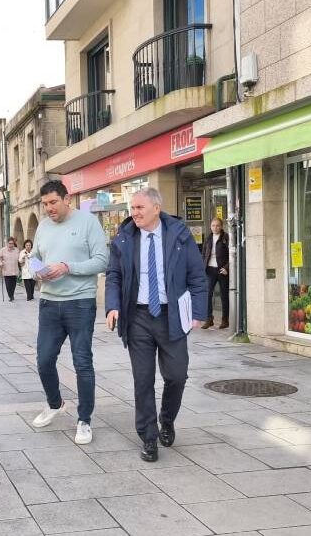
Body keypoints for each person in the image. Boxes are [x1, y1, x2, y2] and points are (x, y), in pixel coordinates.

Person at [105, 188, 208, 462]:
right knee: (143, 380)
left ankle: (167, 418)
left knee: (177, 374)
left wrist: (197, 312)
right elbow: (114, 275)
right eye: (132, 208)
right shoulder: (124, 238)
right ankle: (148, 437)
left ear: (156, 208)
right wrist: (113, 306)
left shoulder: (180, 236)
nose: (134, 213)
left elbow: (197, 277)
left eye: (139, 207)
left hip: (170, 315)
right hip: (137, 316)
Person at [29, 180, 108, 445]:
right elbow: (33, 257)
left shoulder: (88, 222)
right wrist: (37, 269)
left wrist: (67, 267)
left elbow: (102, 260)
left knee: (82, 362)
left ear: (67, 199)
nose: (49, 208)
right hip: (49, 303)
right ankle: (55, 403)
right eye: (45, 204)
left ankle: (84, 419)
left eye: (53, 202)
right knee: (43, 359)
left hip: (80, 302)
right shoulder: (43, 226)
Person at [201, 217, 230, 329]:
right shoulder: (208, 238)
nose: (215, 227)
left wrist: (227, 268)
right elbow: (204, 254)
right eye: (213, 225)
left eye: (217, 225)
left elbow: (232, 254)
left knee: (224, 296)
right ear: (210, 226)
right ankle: (209, 319)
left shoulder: (226, 237)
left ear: (221, 226)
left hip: (222, 270)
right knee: (207, 295)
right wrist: (203, 267)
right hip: (210, 270)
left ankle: (225, 320)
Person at [0, 237, 21, 302]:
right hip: (6, 270)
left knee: (13, 285)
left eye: (12, 243)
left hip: (14, 270)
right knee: (8, 285)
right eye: (10, 243)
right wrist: (0, 263)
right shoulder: (2, 250)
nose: (11, 245)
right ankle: (10, 296)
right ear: (7, 243)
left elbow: (19, 258)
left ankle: (12, 295)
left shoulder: (17, 250)